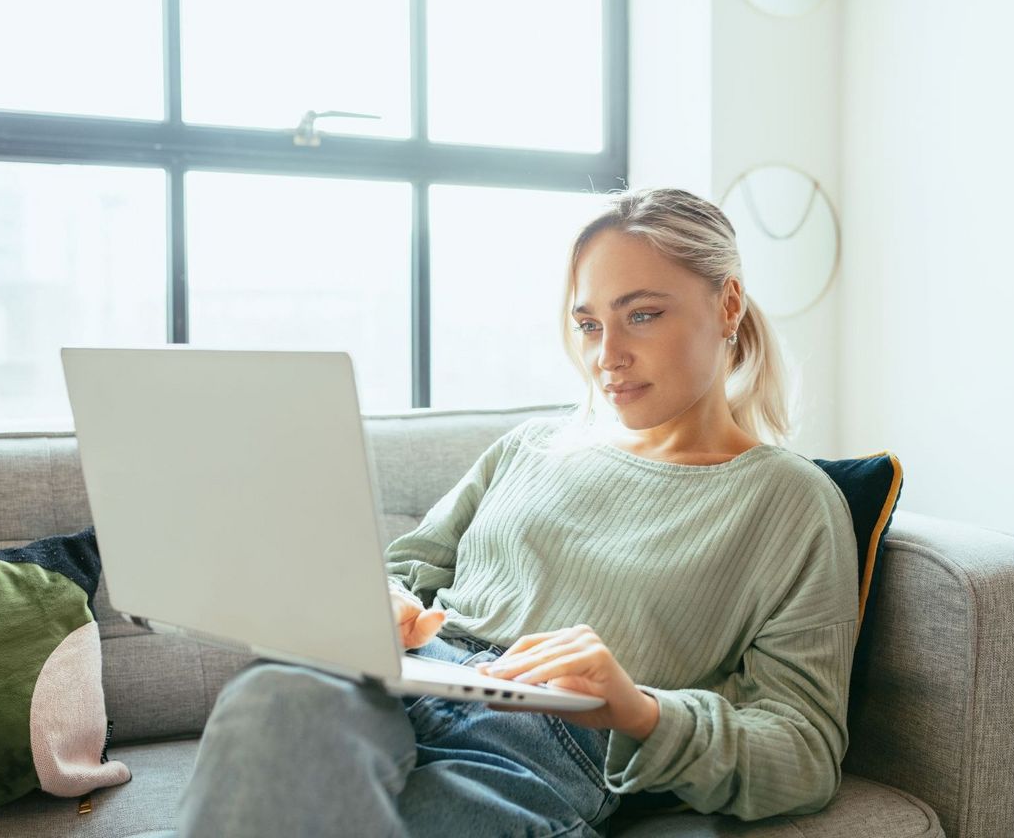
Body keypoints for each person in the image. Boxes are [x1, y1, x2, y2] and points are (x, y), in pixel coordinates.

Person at [174, 188, 859, 837]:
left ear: (728, 304)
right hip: (409, 674)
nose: (606, 356)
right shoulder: (532, 446)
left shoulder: (790, 502)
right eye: (589, 324)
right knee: (273, 701)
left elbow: (804, 751)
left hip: (544, 743)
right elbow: (404, 569)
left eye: (642, 314)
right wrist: (380, 600)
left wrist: (640, 709)